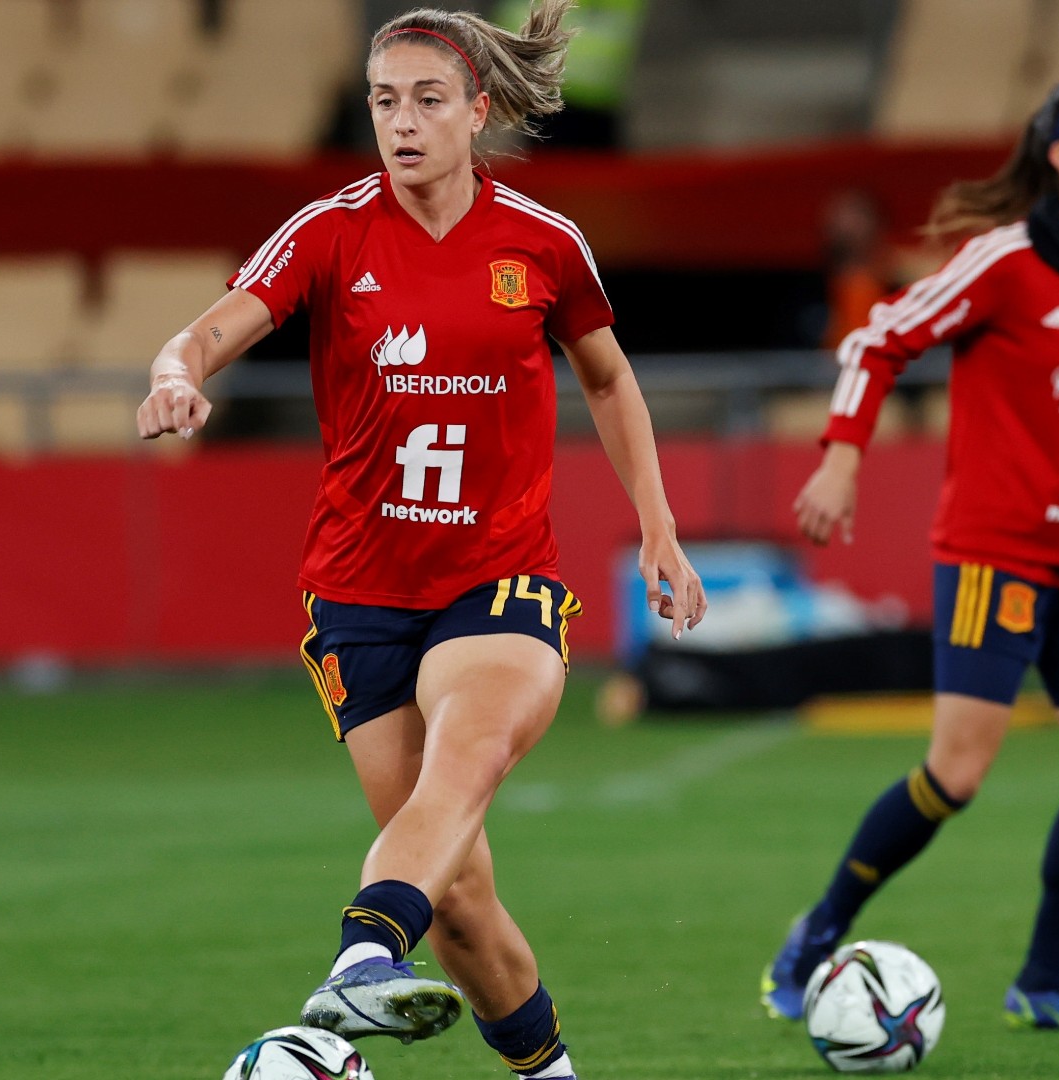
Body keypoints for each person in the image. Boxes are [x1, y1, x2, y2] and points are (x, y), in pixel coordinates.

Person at [134, 5, 705, 1078]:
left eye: (427, 100)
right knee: (460, 902)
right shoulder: (330, 232)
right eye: (384, 101)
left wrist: (658, 526)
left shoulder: (542, 242)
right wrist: (176, 374)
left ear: (477, 113)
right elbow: (211, 329)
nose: (402, 123)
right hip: (361, 595)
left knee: (466, 756)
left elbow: (608, 379)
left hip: (499, 579)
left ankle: (357, 959)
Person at [761, 77, 1059, 1034]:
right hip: (996, 558)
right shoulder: (1006, 261)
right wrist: (842, 456)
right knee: (957, 773)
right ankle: (815, 935)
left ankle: (1048, 981)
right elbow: (879, 338)